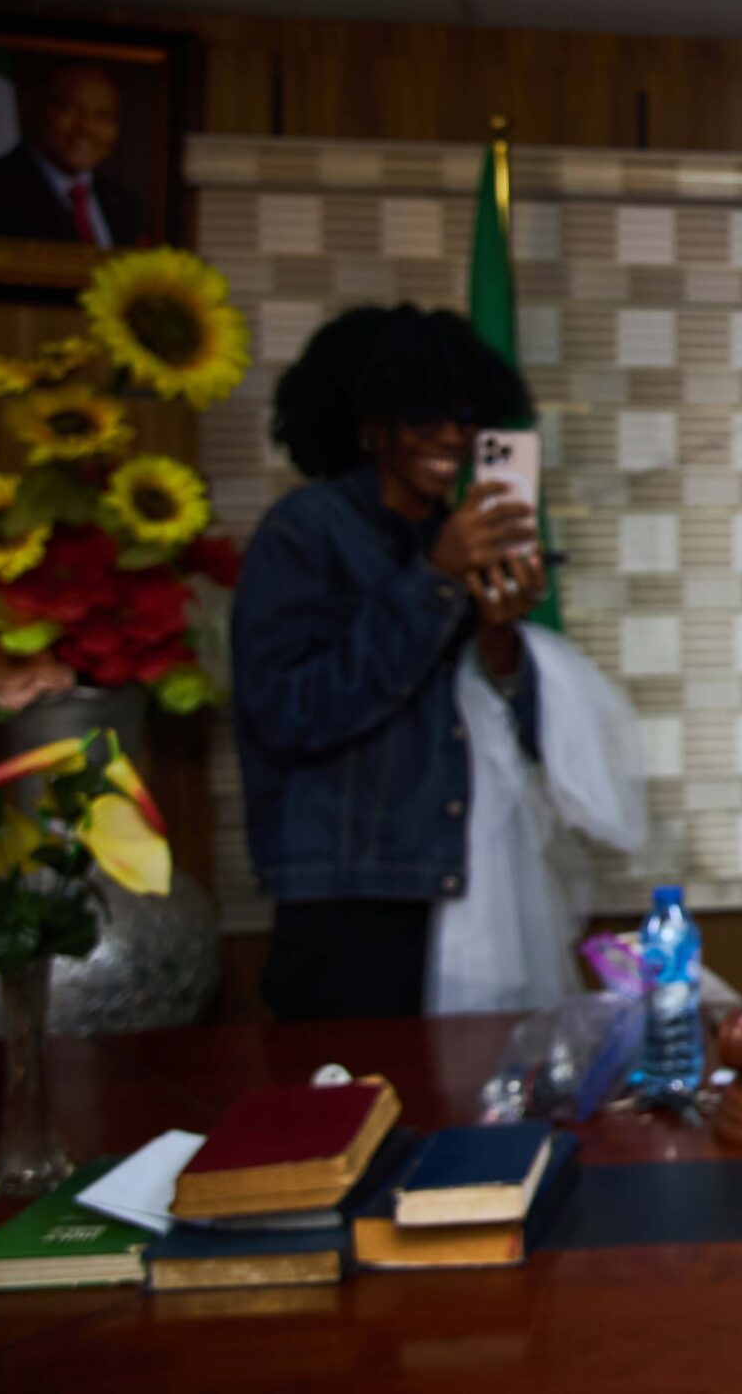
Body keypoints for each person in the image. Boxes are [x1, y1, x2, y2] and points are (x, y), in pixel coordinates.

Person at [231, 305, 544, 1021]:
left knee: (466, 1081)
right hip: (347, 888)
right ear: (370, 424)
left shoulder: (456, 534)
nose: (452, 436)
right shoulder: (306, 529)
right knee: (349, 1083)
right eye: (424, 415)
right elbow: (289, 711)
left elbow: (508, 727)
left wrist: (500, 632)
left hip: (461, 873)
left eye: (466, 417)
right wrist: (435, 579)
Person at [0, 63, 145, 246]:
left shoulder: (125, 206)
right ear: (35, 109)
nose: (86, 127)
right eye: (69, 108)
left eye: (102, 116)